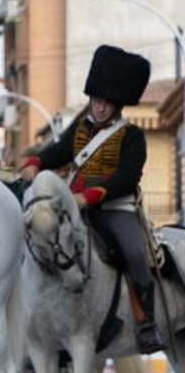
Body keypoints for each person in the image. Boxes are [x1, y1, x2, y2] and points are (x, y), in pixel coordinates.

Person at [20, 45, 162, 353]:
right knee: (38, 241)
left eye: (106, 103)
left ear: (117, 105)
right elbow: (57, 153)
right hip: (74, 206)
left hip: (114, 208)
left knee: (135, 255)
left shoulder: (132, 136)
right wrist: (34, 164)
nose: (99, 108)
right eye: (96, 101)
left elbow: (127, 176)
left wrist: (90, 197)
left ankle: (145, 321)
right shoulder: (81, 131)